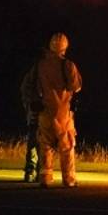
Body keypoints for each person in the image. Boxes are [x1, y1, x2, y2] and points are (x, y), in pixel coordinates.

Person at [36, 32, 82, 188]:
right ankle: (68, 179)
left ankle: (45, 178)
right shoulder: (68, 65)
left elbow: (36, 87)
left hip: (45, 111)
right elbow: (76, 87)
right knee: (67, 146)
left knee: (45, 145)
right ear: (65, 47)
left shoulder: (41, 65)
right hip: (63, 112)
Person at [19, 57, 43, 182]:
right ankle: (34, 170)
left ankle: (35, 171)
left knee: (38, 141)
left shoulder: (41, 69)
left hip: (43, 110)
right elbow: (25, 89)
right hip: (38, 110)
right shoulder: (38, 70)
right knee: (35, 141)